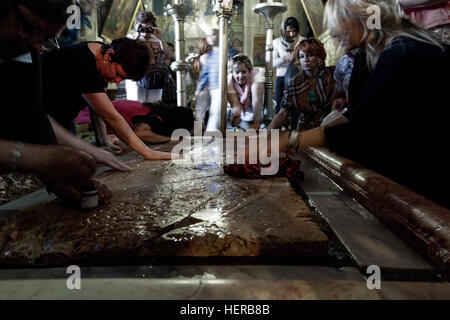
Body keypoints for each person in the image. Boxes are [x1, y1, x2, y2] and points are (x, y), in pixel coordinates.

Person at [256, 0, 449, 207]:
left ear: (359, 22)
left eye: (341, 37)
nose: (341, 48)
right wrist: (280, 141)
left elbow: (362, 132)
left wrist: (287, 142)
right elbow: (356, 115)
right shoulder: (369, 55)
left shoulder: (404, 54)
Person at [0, 0, 112, 206]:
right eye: (32, 28)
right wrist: (37, 158)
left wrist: (59, 178)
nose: (36, 44)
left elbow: (33, 117)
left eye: (46, 39)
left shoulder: (26, 52)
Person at [41, 37, 176, 160]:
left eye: (123, 78)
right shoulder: (85, 61)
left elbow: (97, 108)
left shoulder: (102, 55)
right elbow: (110, 116)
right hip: (39, 117)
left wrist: (103, 140)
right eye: (118, 74)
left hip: (60, 118)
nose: (117, 81)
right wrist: (147, 152)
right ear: (109, 56)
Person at [268, 38, 335, 131]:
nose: (305, 60)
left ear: (318, 57)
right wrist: (267, 133)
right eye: (302, 56)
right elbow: (283, 113)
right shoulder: (295, 83)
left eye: (310, 55)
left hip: (331, 125)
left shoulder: (331, 75)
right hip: (306, 128)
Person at [124, 11, 175, 104]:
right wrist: (137, 34)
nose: (146, 32)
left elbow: (168, 55)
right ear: (137, 26)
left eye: (149, 29)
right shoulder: (132, 38)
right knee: (137, 105)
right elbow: (126, 54)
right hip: (137, 77)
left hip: (155, 76)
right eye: (143, 28)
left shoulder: (157, 39)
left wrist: (161, 39)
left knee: (154, 105)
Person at [273, 17, 303, 114]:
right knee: (279, 103)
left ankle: (295, 127)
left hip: (298, 75)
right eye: (288, 31)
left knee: (297, 104)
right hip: (281, 77)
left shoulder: (302, 41)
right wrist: (284, 58)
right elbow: (271, 63)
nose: (291, 34)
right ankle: (277, 128)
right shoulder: (276, 42)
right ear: (283, 30)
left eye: (294, 31)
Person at [227, 54, 265, 130]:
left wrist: (256, 123)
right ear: (232, 72)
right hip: (240, 109)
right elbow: (235, 105)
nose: (240, 76)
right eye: (237, 72)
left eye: (244, 72)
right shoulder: (229, 80)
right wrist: (236, 116)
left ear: (249, 71)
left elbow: (256, 102)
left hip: (257, 109)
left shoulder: (257, 77)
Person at [195, 29, 221, 131]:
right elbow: (205, 75)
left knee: (211, 112)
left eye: (213, 35)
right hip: (209, 86)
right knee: (203, 110)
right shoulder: (207, 56)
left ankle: (208, 132)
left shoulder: (223, 53)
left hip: (214, 86)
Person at [191, 37, 212, 125]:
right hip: (213, 89)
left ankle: (198, 133)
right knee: (215, 114)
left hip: (200, 89)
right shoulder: (211, 57)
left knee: (199, 115)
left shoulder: (197, 60)